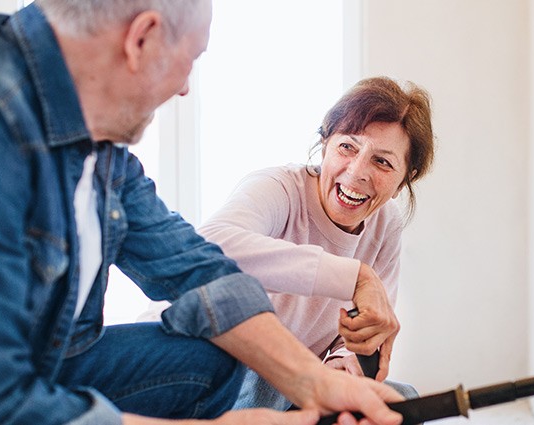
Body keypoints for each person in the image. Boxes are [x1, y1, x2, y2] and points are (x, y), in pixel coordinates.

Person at [0, 1, 404, 424]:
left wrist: (313, 381)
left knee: (210, 357)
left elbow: (197, 272)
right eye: (190, 61)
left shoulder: (99, 148)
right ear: (141, 38)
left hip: (41, 367)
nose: (186, 87)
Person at [145, 77, 435, 411]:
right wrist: (353, 276)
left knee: (404, 401)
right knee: (271, 383)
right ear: (325, 145)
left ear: (404, 180)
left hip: (290, 380)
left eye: (382, 162)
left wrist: (343, 362)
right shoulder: (279, 188)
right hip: (196, 361)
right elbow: (211, 244)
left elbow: (362, 327)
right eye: (347, 147)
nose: (357, 173)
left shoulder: (386, 223)